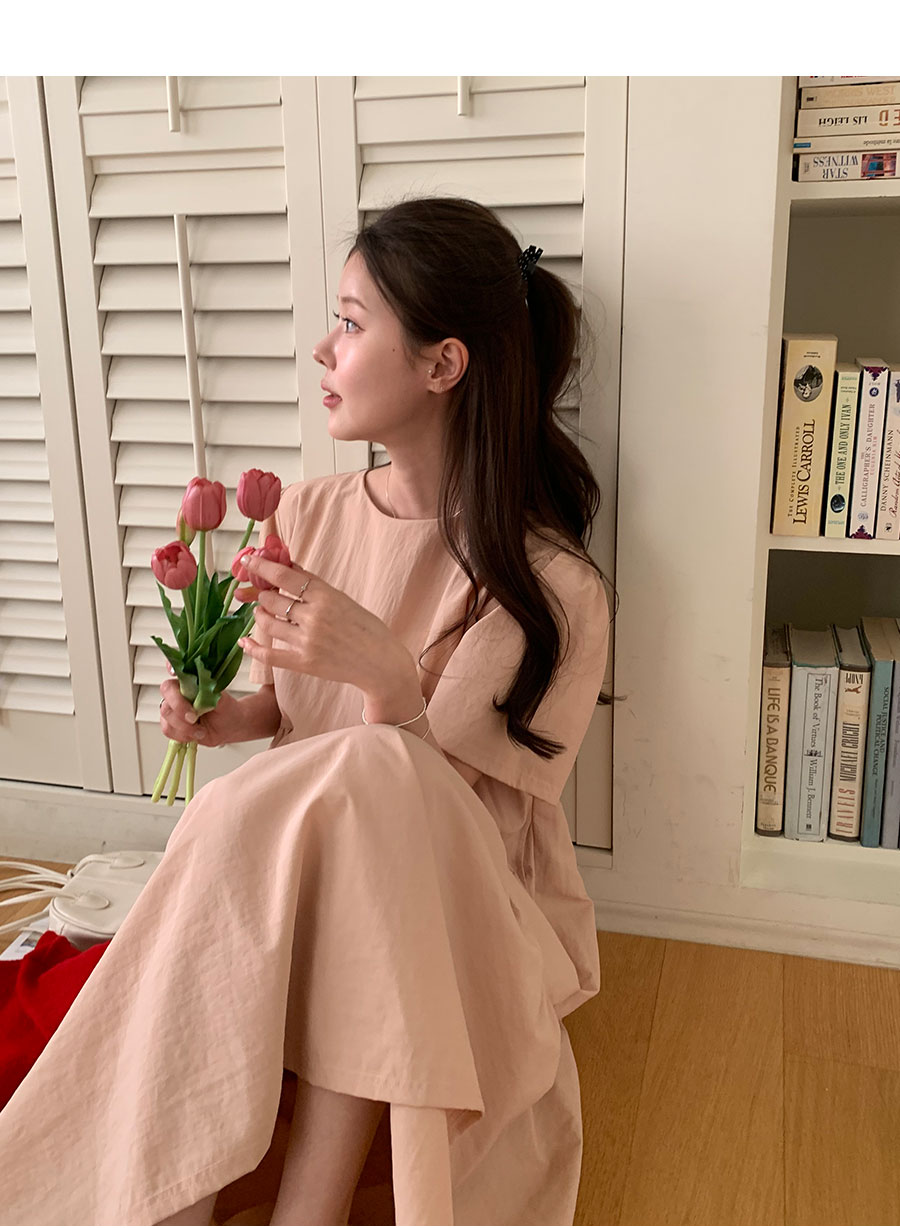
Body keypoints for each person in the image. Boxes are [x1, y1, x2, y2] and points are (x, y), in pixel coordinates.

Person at [0, 195, 617, 1226]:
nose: (323, 349)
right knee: (342, 792)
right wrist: (224, 719)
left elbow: (442, 814)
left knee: (379, 772)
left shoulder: (553, 588)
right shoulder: (311, 511)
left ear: (443, 365)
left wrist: (391, 683)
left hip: (463, 916)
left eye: (352, 322)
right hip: (316, 872)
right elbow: (287, 715)